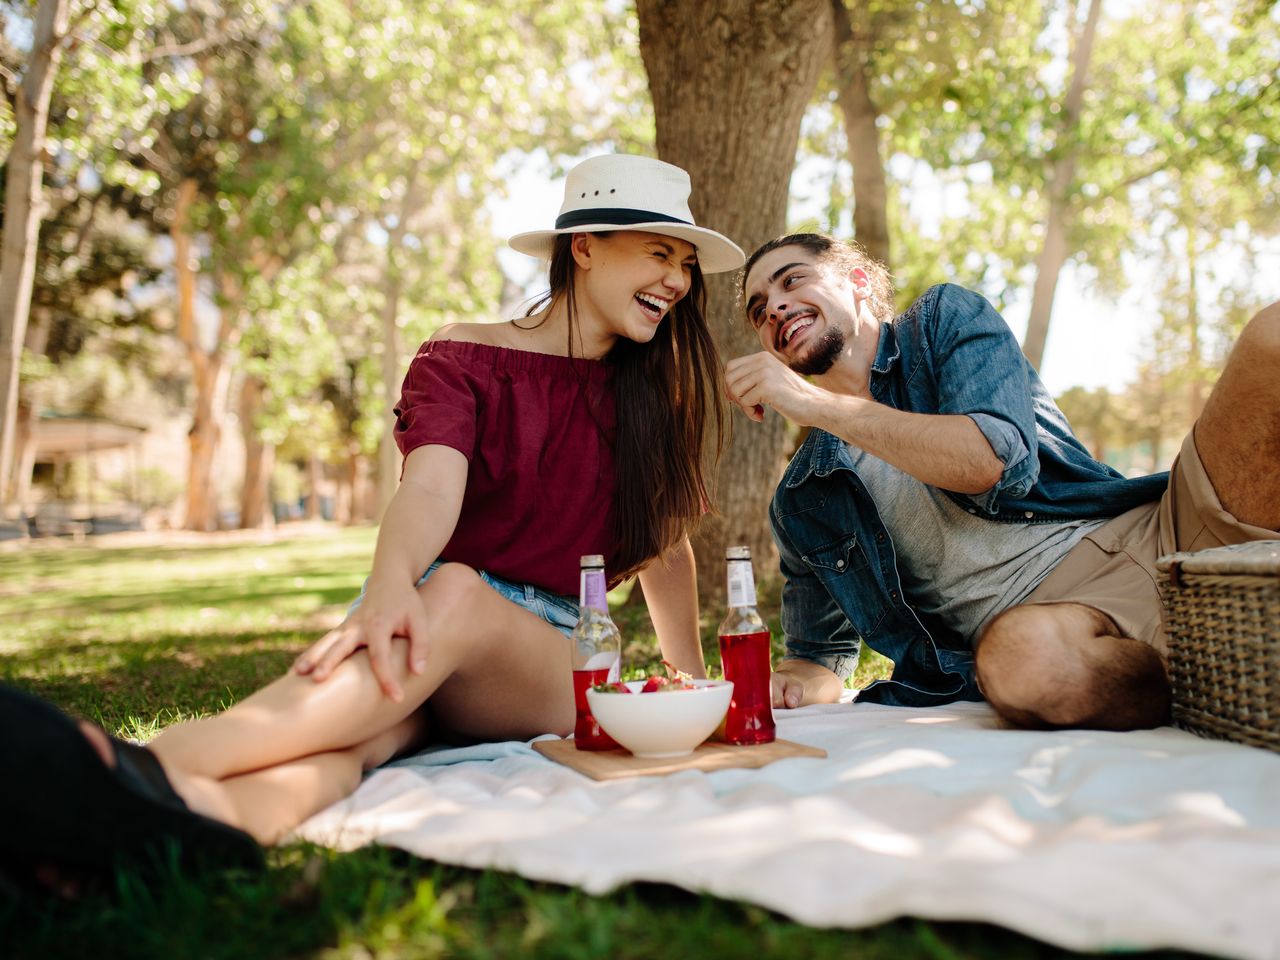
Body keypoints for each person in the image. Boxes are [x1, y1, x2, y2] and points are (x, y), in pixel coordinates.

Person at [0, 154, 745, 884]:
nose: (678, 282)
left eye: (684, 263)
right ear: (584, 247)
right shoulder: (463, 357)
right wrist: (389, 584)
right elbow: (429, 489)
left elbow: (667, 545)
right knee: (361, 742)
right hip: (424, 613)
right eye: (659, 254)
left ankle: (123, 767)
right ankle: (196, 827)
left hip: (552, 656)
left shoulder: (653, 397)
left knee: (453, 591)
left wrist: (691, 684)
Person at [724, 232, 1278, 731]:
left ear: (859, 282)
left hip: (1156, 531)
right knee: (1019, 665)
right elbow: (818, 658)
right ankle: (1203, 669)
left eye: (792, 280)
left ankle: (1215, 642)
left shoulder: (941, 321)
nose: (773, 307)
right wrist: (788, 683)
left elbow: (990, 460)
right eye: (757, 310)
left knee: (1269, 338)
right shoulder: (803, 500)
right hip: (1055, 629)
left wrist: (817, 406)